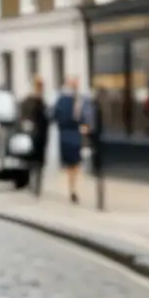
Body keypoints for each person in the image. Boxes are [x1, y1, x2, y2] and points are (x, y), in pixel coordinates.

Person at [52, 75, 92, 203]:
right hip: (72, 133)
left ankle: (73, 188)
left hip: (69, 134)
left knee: (72, 164)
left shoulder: (66, 99)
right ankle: (73, 188)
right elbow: (83, 118)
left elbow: (55, 116)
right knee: (74, 164)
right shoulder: (74, 100)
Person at [18, 75, 49, 195]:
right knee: (31, 161)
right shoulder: (28, 101)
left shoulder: (42, 102)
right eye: (38, 86)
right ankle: (31, 184)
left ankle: (37, 186)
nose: (40, 89)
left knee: (40, 162)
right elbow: (23, 117)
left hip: (42, 136)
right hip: (30, 136)